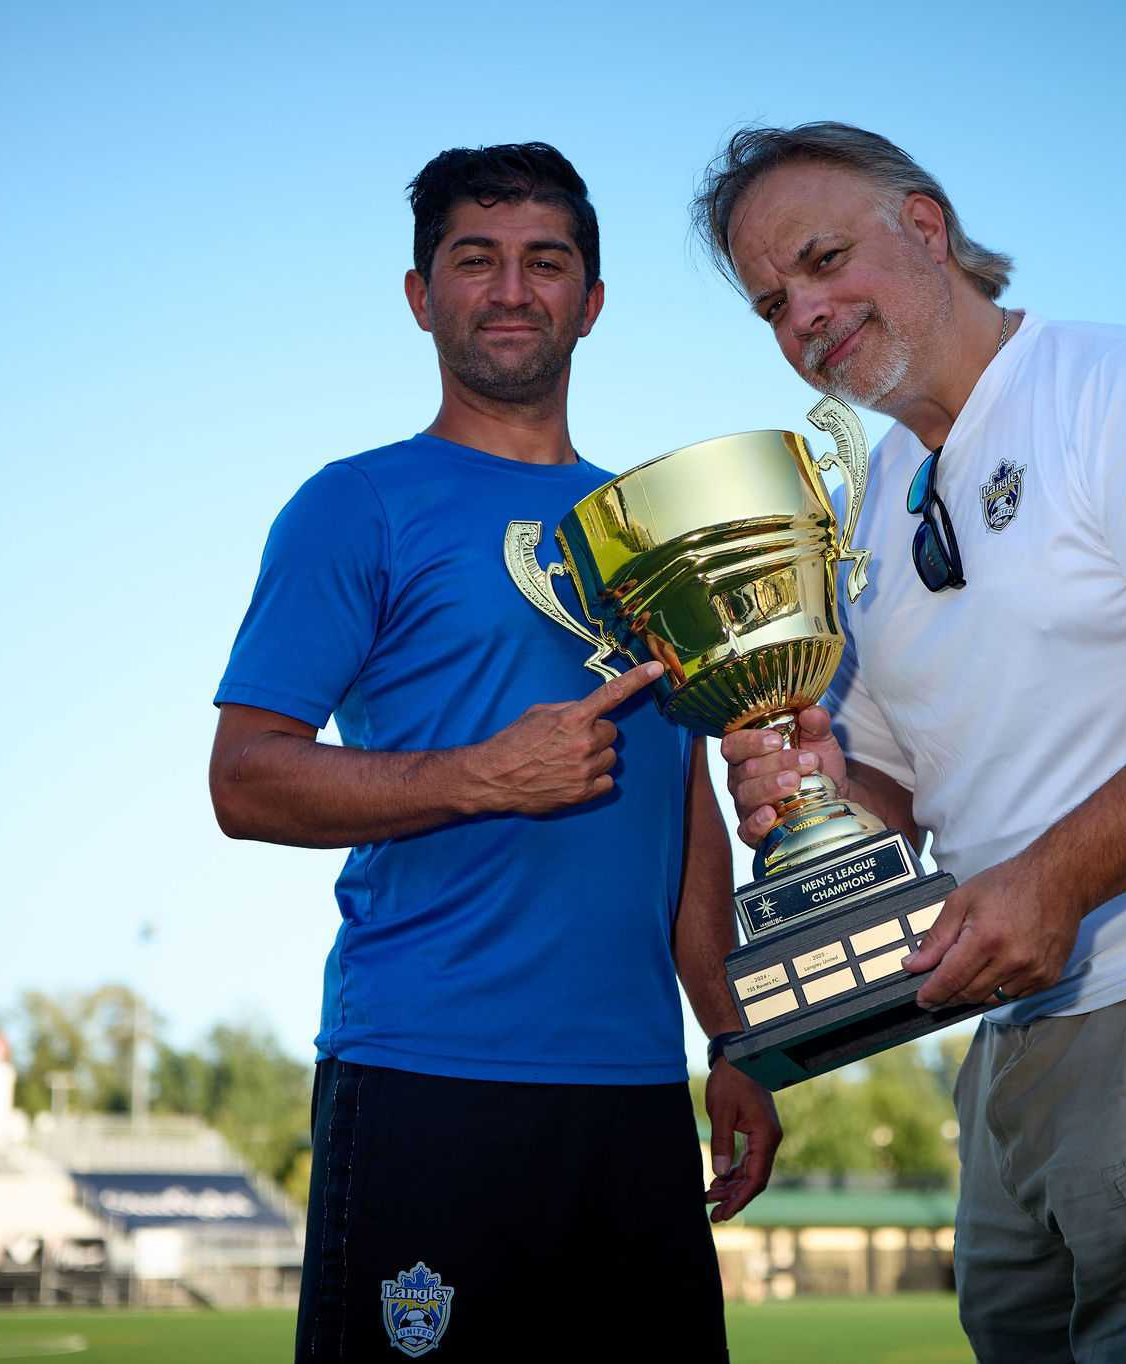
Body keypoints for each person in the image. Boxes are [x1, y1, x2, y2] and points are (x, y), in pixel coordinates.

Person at [695, 122, 1126, 1362]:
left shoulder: (1120, 387)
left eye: (822, 256)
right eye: (770, 300)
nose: (804, 311)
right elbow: (903, 787)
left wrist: (1057, 876)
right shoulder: (875, 492)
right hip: (1011, 1038)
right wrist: (814, 791)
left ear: (925, 226)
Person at [210, 142, 777, 1362]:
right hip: (427, 1077)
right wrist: (480, 773)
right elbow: (244, 776)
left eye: (545, 261)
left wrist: (730, 1035)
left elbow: (686, 813)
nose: (511, 288)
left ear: (592, 301)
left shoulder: (659, 527)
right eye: (476, 259)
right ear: (421, 296)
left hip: (632, 1094)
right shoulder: (354, 504)